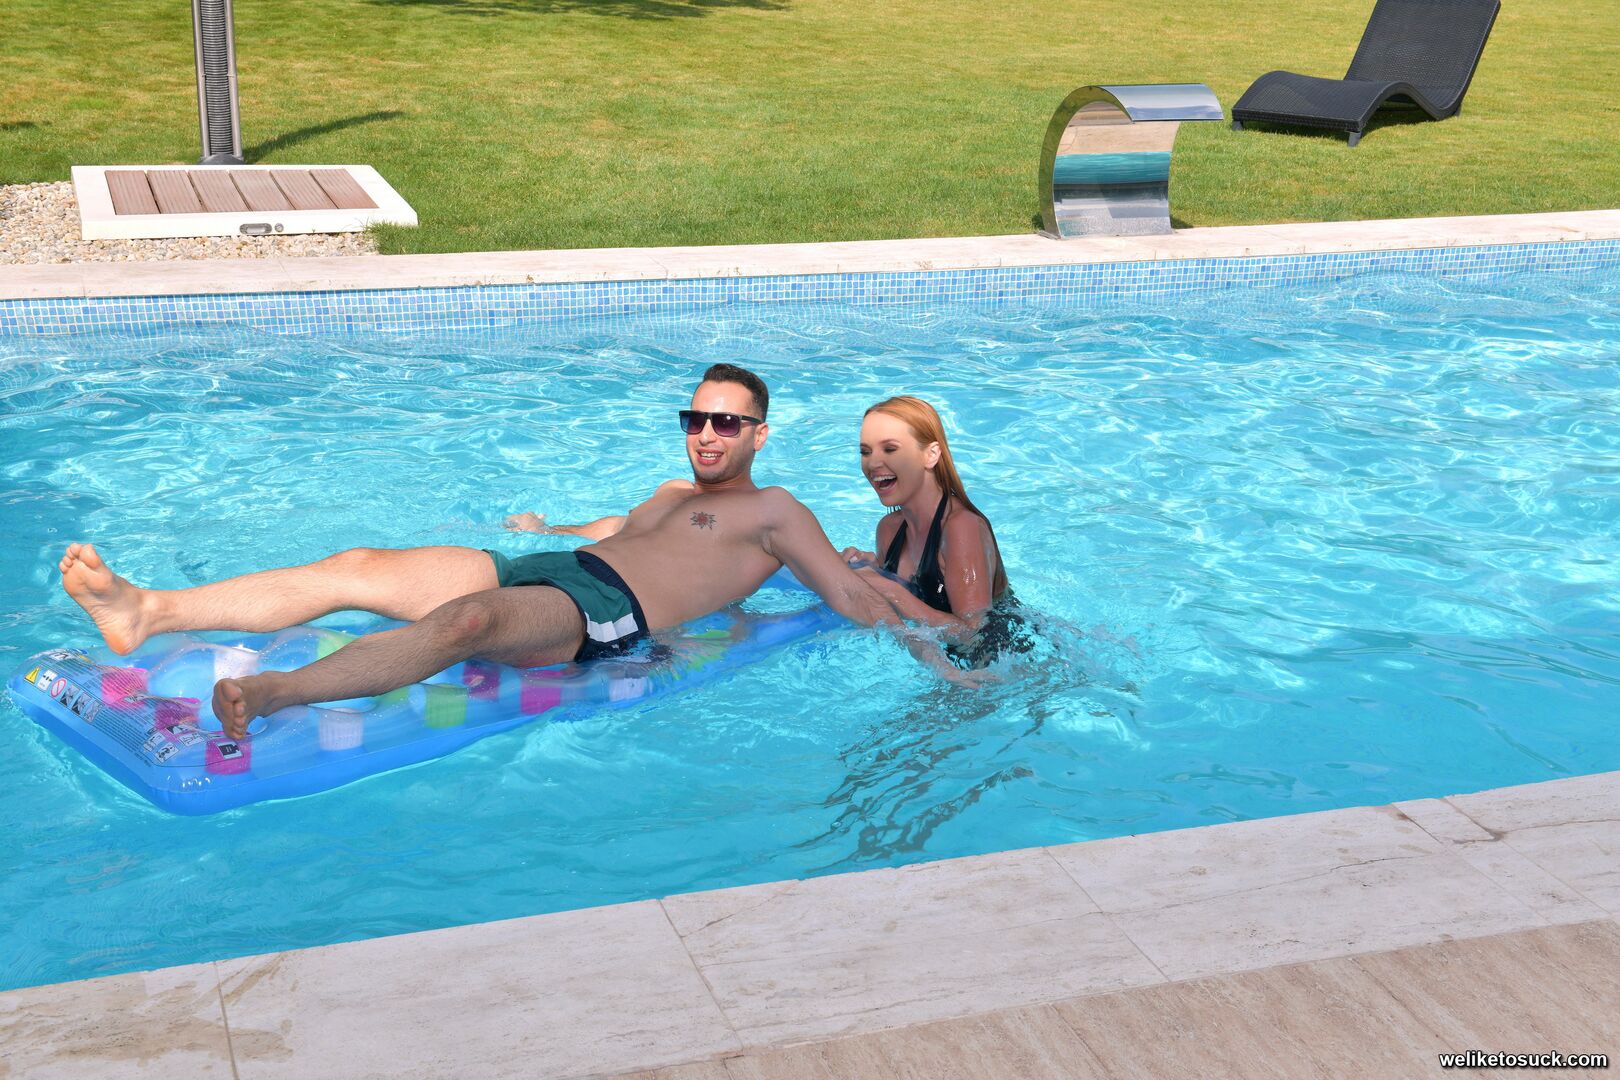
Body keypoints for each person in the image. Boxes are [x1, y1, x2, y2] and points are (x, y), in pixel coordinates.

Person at [58, 364, 922, 740]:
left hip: (602, 610)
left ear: (759, 434)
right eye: (694, 418)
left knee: (466, 622)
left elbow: (848, 599)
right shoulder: (667, 493)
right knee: (359, 566)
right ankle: (148, 610)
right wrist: (547, 531)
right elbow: (614, 534)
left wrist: (936, 640)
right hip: (553, 568)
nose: (705, 433)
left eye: (726, 422)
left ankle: (277, 693)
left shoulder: (774, 510)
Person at [841, 395, 1028, 666]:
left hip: (1008, 662)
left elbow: (973, 634)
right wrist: (871, 567)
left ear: (931, 455)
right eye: (866, 451)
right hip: (947, 663)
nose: (873, 463)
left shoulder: (961, 528)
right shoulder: (889, 529)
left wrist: (889, 590)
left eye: (890, 449)